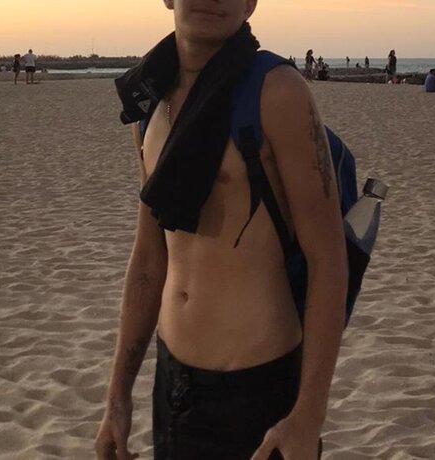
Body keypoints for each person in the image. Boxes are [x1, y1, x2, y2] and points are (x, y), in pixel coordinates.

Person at [95, 1, 347, 460]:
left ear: (250, 3)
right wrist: (118, 394)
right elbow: (149, 256)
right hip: (172, 382)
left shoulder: (277, 92)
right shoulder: (150, 104)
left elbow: (328, 258)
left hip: (256, 389)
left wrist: (308, 416)